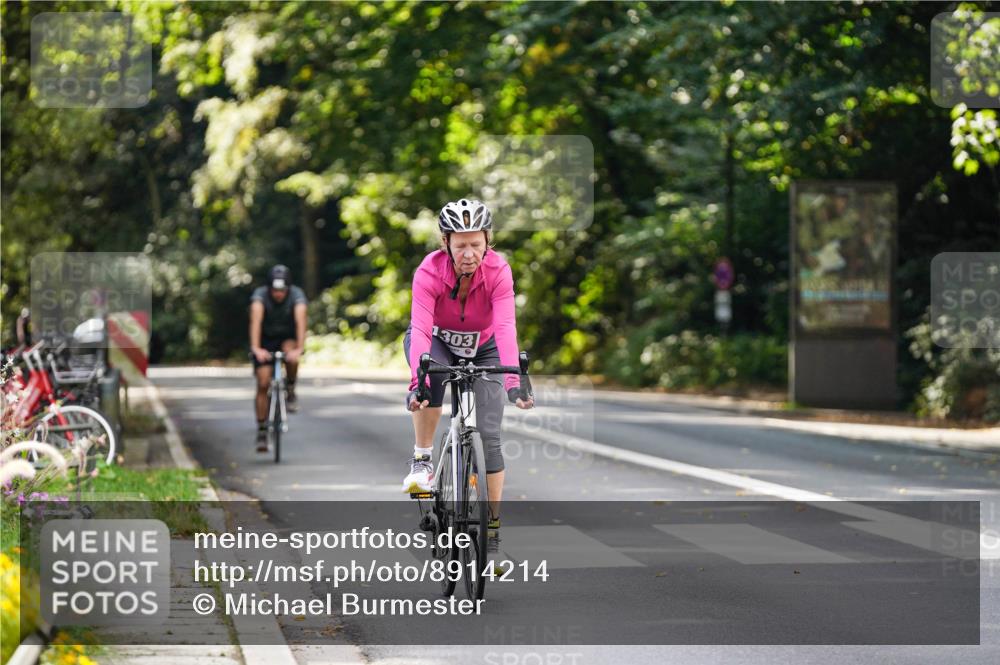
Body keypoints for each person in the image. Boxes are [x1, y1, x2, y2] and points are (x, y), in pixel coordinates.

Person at [402, 198, 534, 556]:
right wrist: (418, 383)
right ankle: (422, 460)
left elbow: (505, 327)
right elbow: (421, 328)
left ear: (487, 241)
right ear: (445, 243)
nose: (469, 253)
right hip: (438, 341)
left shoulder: (499, 270)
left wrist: (514, 383)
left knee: (489, 437)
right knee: (430, 380)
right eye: (460, 245)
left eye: (476, 244)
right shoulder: (429, 271)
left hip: (485, 346)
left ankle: (492, 528)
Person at [249, 264, 307, 452]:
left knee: (292, 357)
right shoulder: (260, 296)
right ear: (269, 288)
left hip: (287, 339)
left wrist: (299, 348)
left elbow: (301, 321)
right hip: (265, 341)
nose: (278, 294)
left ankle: (290, 388)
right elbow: (255, 322)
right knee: (263, 382)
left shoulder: (296, 295)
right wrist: (256, 348)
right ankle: (262, 429)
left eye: (282, 291)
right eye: (275, 290)